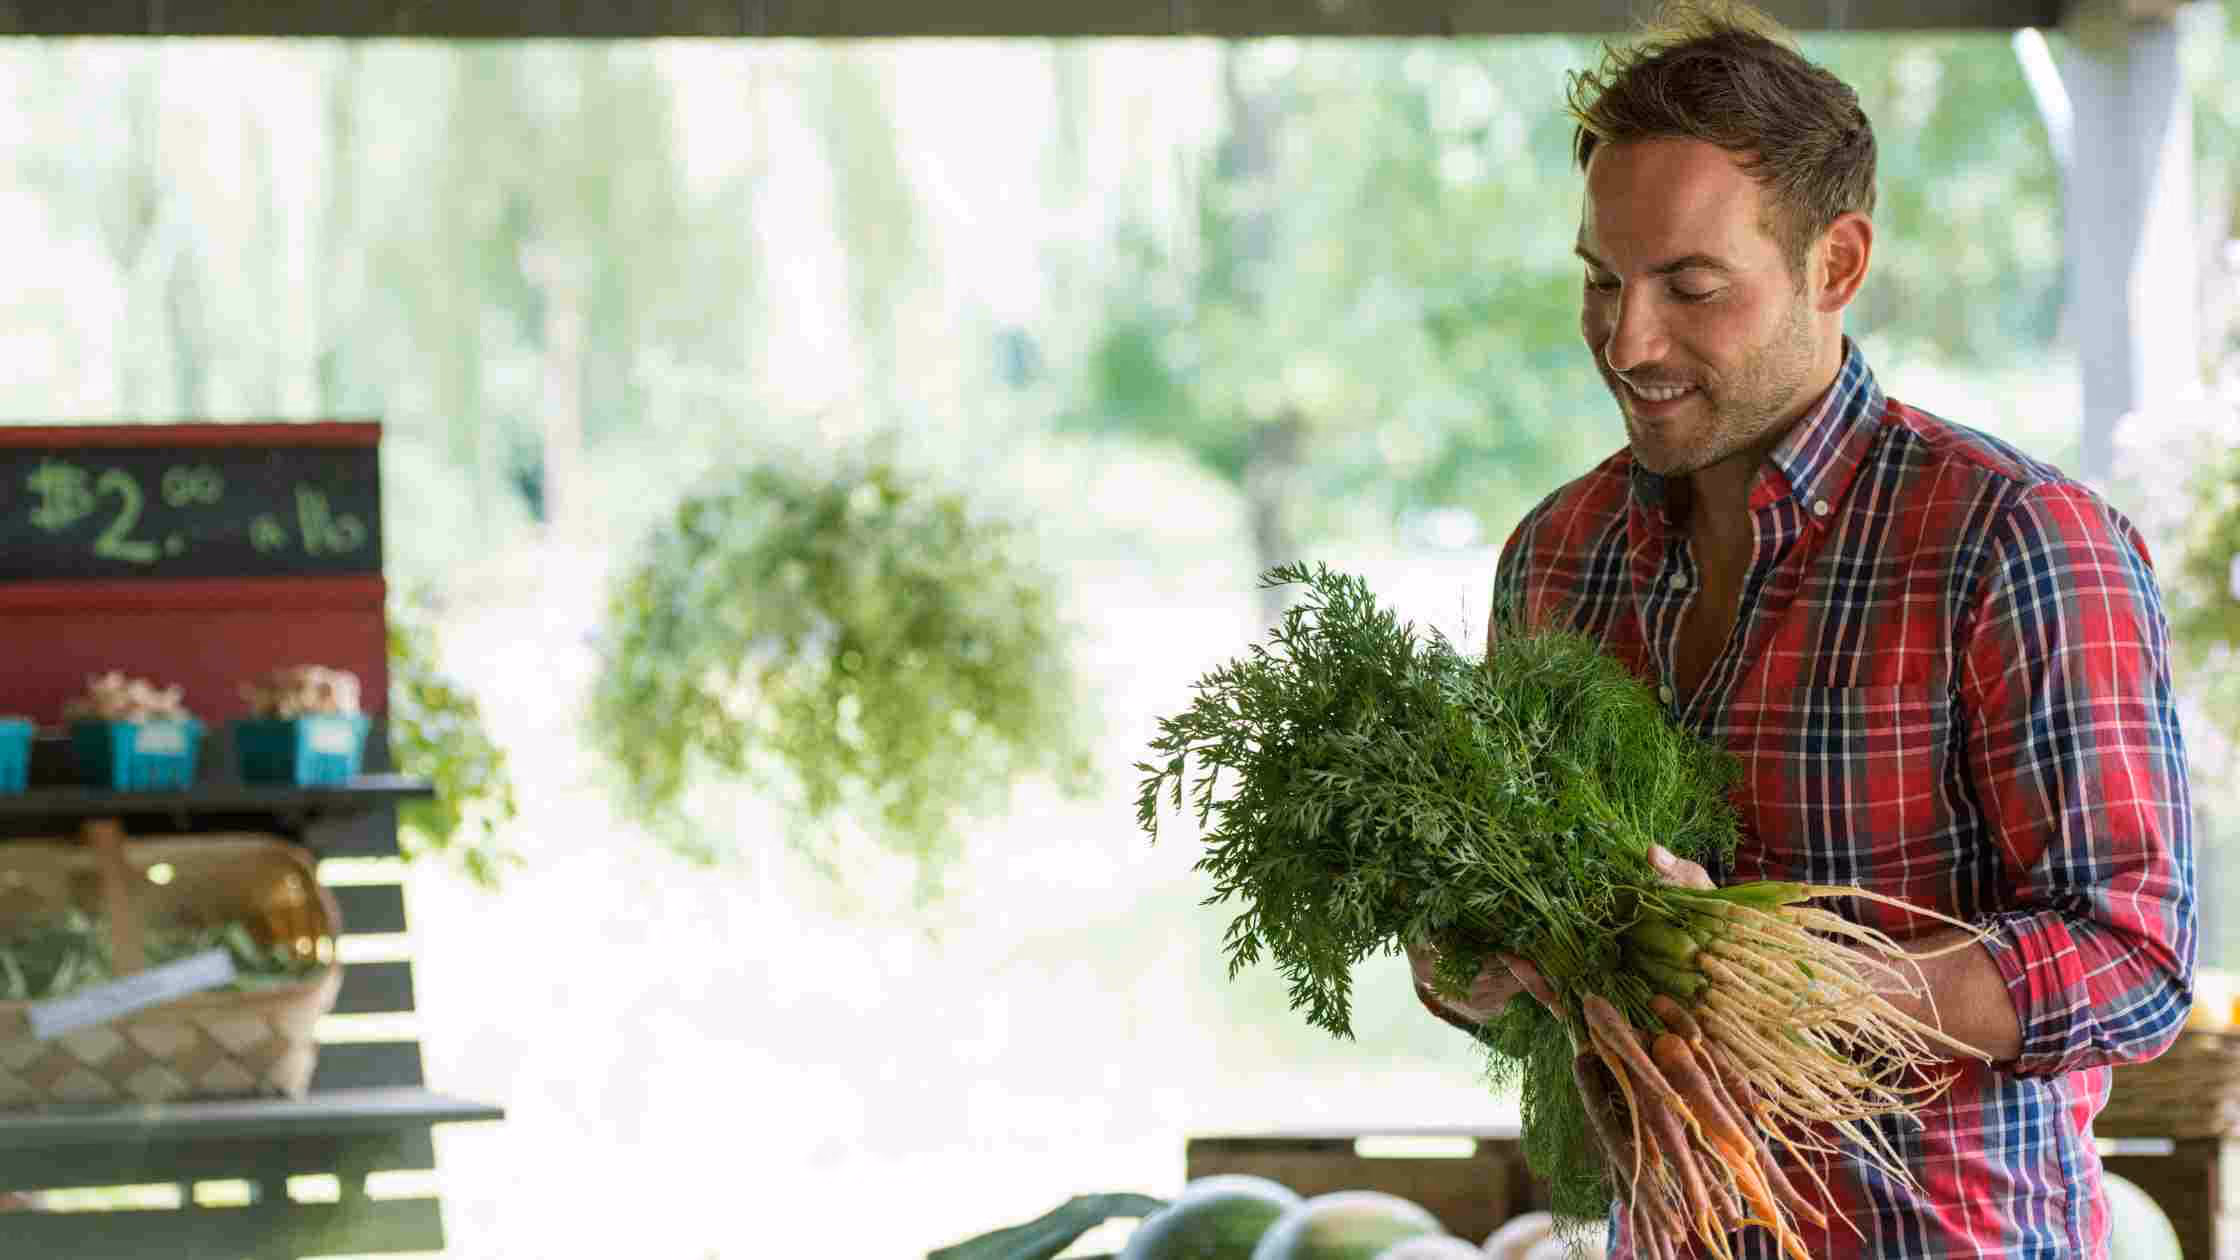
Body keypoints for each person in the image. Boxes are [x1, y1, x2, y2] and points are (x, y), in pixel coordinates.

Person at [1405, 4, 2196, 1257]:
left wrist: (1776, 979)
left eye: (1689, 286)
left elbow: (2131, 956)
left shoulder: (2010, 539)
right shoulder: (1554, 558)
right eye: (1601, 280)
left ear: (1834, 266)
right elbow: (1516, 985)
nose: (1626, 340)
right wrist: (1478, 963)